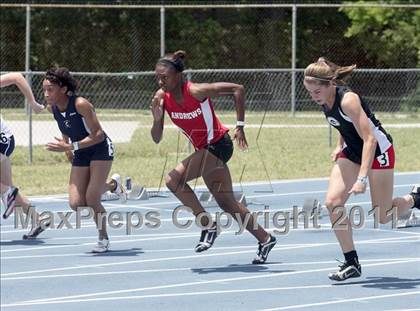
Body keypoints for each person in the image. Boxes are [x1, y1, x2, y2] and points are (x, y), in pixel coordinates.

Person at [151, 50, 276, 264]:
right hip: (205, 150)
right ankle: (265, 239)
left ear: (178, 76)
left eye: (165, 77)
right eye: (157, 77)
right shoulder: (162, 98)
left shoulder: (197, 91)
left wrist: (241, 126)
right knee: (227, 203)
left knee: (173, 180)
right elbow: (156, 138)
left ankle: (208, 225)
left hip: (219, 145)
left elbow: (238, 89)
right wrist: (156, 119)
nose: (160, 81)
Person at [303, 57, 420, 281]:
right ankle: (351, 262)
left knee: (383, 216)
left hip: (378, 152)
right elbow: (343, 125)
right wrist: (339, 147)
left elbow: (370, 139)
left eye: (316, 91)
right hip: (354, 150)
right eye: (309, 91)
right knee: (333, 203)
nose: (313, 96)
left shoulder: (348, 100)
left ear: (331, 85)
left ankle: (416, 198)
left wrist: (362, 179)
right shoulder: (324, 101)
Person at [43, 67, 125, 253]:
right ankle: (112, 185)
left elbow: (98, 135)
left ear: (63, 89)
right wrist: (67, 149)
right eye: (44, 90)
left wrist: (71, 147)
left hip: (100, 148)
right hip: (80, 150)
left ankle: (103, 238)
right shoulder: (53, 108)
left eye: (50, 89)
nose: (46, 94)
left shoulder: (81, 104)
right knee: (76, 204)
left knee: (92, 199)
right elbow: (65, 128)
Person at [0, 72, 50, 239]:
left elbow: (17, 77)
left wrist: (33, 103)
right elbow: (16, 77)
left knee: (6, 191)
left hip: (3, 140)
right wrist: (33, 103)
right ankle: (39, 219)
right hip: (6, 140)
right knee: (7, 188)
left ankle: (7, 194)